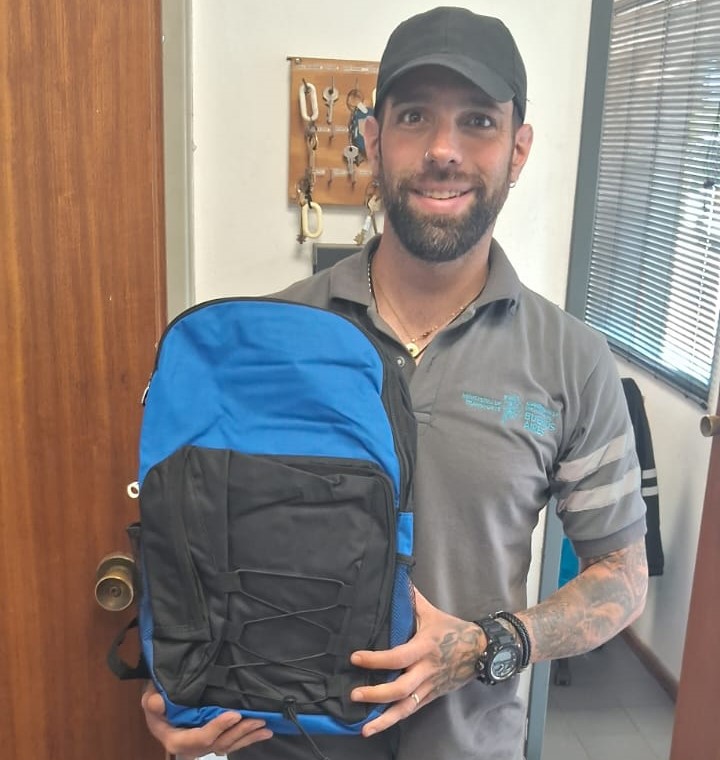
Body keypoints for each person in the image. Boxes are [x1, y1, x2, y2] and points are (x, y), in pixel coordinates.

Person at [142, 7, 648, 759]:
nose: (443, 150)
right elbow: (193, 533)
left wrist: (489, 646)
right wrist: (181, 698)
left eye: (478, 121)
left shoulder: (573, 360)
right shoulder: (262, 341)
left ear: (518, 149)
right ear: (374, 141)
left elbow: (622, 575)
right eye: (414, 117)